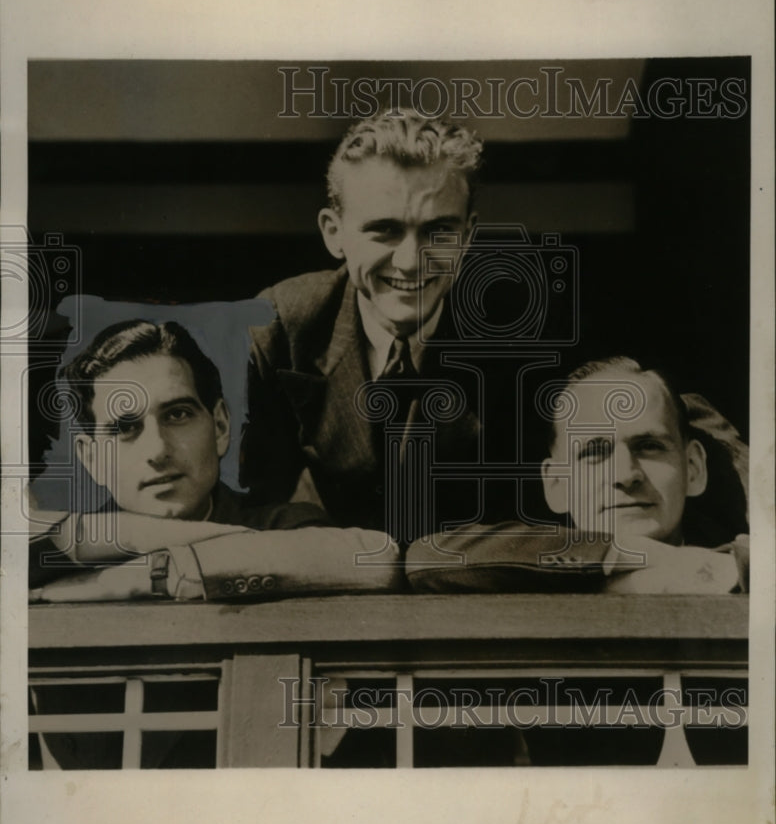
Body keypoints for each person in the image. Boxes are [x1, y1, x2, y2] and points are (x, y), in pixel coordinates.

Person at [238, 109, 489, 542]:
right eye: (384, 231)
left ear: (467, 237)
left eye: (438, 231)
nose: (411, 262)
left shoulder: (525, 334)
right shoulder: (284, 324)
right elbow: (247, 503)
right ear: (334, 233)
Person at [30, 319, 401, 603]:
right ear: (91, 458)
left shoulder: (285, 526)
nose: (157, 450)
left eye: (177, 415)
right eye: (124, 429)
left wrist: (155, 571)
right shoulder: (59, 553)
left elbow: (375, 559)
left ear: (221, 426)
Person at [406, 356, 749, 594]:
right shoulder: (530, 573)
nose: (626, 474)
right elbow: (429, 557)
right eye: (594, 452)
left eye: (649, 446)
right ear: (556, 485)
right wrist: (653, 564)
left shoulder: (747, 569)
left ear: (694, 468)